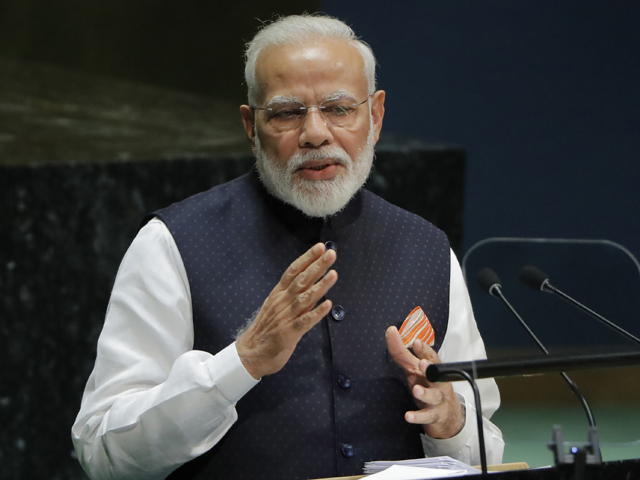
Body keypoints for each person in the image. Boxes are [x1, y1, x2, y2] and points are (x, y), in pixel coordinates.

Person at [72, 14, 504, 480]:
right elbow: (104, 454)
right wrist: (242, 361)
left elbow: (487, 449)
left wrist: (451, 422)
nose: (315, 133)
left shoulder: (427, 248)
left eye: (339, 109)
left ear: (375, 117)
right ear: (250, 126)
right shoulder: (171, 244)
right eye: (286, 112)